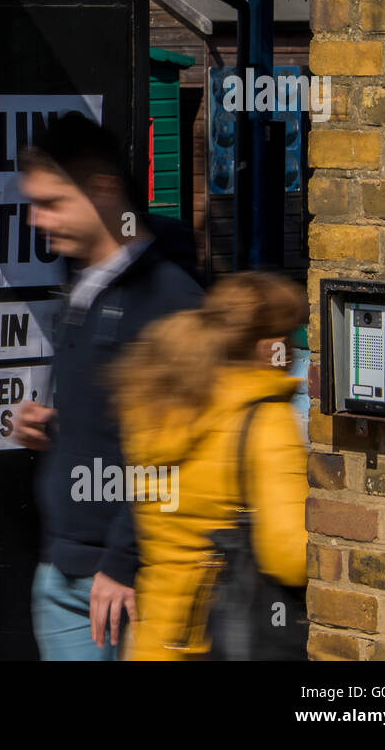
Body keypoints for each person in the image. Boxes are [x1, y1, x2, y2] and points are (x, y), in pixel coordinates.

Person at [12, 112, 202, 660]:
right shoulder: (81, 280)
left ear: (102, 191)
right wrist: (51, 427)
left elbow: (176, 450)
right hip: (64, 571)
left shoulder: (168, 296)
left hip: (120, 586)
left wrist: (123, 563)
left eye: (50, 202)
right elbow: (118, 422)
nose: (35, 218)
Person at [109, 271, 310, 660]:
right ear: (271, 345)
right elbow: (289, 557)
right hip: (218, 645)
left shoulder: (162, 405)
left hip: (152, 642)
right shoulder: (265, 421)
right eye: (290, 335)